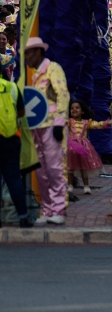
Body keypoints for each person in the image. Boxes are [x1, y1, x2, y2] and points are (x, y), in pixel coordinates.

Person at [25, 37, 70, 226]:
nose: (26, 58)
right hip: (37, 128)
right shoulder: (34, 75)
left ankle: (58, 208)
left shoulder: (53, 68)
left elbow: (63, 94)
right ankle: (47, 209)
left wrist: (60, 122)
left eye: (28, 53)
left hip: (52, 126)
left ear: (37, 52)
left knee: (55, 169)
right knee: (41, 172)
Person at [0, 75, 31, 227]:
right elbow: (21, 112)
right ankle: (23, 217)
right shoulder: (12, 87)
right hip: (10, 138)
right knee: (14, 178)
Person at [65, 100, 112, 194]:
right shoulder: (69, 122)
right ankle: (70, 186)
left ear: (82, 111)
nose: (74, 109)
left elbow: (97, 125)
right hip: (71, 148)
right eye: (72, 108)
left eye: (77, 108)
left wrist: (106, 123)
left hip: (83, 148)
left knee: (83, 168)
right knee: (70, 168)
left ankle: (86, 186)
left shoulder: (87, 123)